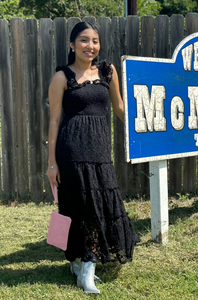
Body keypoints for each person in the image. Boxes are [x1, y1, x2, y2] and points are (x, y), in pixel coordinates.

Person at [46, 21, 140, 294]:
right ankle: (80, 265)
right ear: (73, 45)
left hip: (99, 150)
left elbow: (120, 106)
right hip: (70, 151)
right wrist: (51, 163)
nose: (91, 46)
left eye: (95, 41)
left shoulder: (108, 71)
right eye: (84, 40)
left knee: (97, 205)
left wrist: (141, 126)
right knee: (76, 206)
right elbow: (53, 121)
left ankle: (87, 264)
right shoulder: (62, 77)